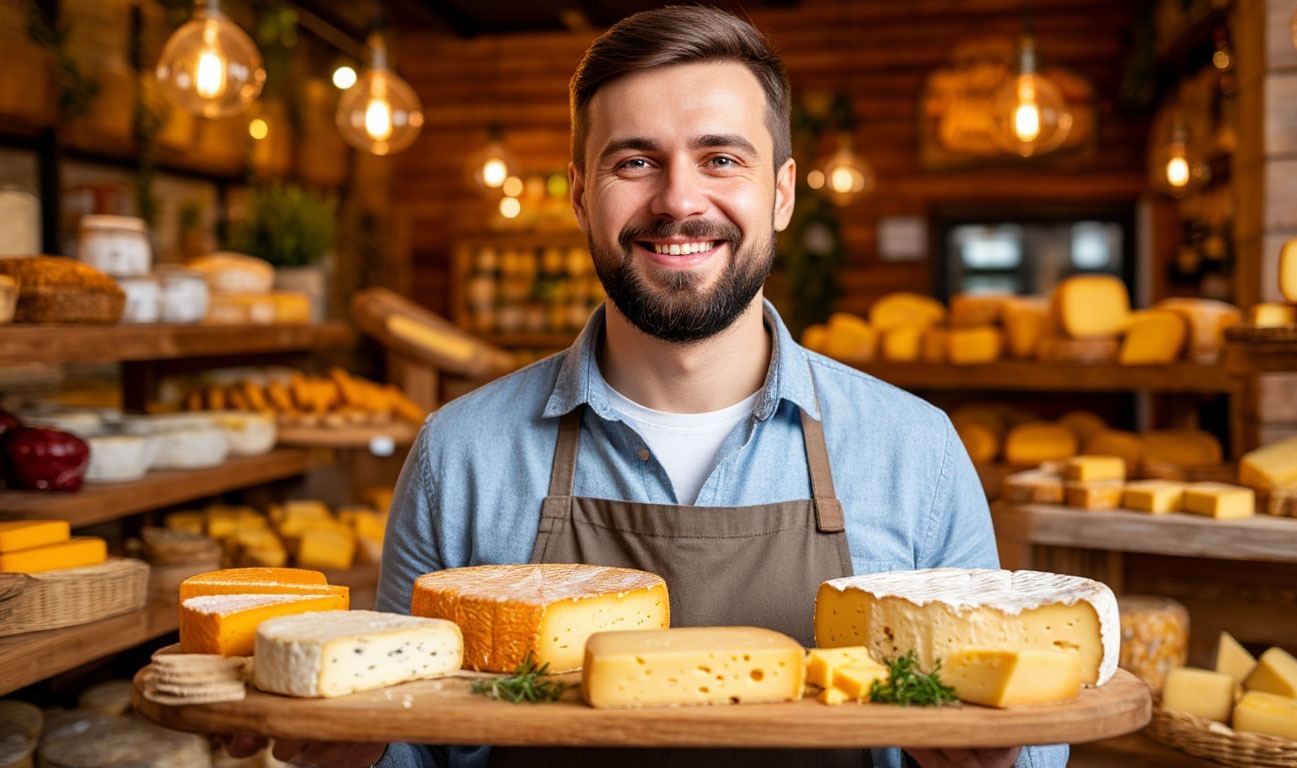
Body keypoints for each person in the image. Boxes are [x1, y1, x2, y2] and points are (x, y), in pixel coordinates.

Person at [230, 5, 1069, 767]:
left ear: (780, 194)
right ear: (580, 194)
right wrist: (335, 749)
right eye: (635, 160)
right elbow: (408, 744)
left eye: (721, 158)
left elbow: (1027, 740)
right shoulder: (462, 453)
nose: (678, 199)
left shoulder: (912, 451)